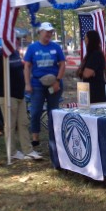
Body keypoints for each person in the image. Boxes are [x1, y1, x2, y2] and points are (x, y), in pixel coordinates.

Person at [0, 48, 42, 161]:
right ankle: (12, 152)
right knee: (10, 125)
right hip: (6, 95)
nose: (16, 42)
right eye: (14, 40)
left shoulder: (15, 53)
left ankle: (28, 150)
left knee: (23, 123)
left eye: (17, 40)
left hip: (20, 94)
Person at [24, 22, 66, 151]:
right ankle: (35, 137)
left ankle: (54, 136)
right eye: (47, 31)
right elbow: (27, 66)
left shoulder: (56, 47)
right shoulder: (32, 48)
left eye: (51, 32)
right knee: (35, 111)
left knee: (53, 111)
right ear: (40, 32)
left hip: (54, 83)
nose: (49, 34)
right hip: (37, 84)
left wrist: (57, 80)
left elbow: (62, 64)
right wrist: (27, 84)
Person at [76, 30, 106, 103]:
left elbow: (86, 74)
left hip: (96, 91)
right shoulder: (89, 55)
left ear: (90, 40)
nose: (84, 40)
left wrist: (82, 72)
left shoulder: (95, 55)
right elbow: (79, 72)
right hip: (87, 89)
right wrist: (82, 71)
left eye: (86, 38)